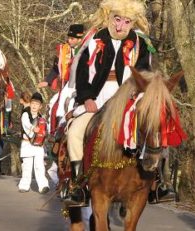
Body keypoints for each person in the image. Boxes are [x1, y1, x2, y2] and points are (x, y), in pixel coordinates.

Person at [64, 0, 154, 206]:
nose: (120, 26)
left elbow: (144, 74)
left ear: (133, 22)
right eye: (117, 19)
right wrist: (86, 98)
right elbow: (82, 73)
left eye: (126, 21)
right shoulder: (95, 39)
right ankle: (78, 185)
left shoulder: (141, 44)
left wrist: (133, 99)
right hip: (96, 96)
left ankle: (159, 182)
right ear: (109, 17)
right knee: (75, 130)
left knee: (155, 126)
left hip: (129, 98)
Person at [37, 24, 85, 135]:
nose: (69, 40)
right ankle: (55, 133)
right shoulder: (63, 50)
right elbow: (55, 68)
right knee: (53, 104)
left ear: (79, 39)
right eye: (69, 38)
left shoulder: (86, 50)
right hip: (66, 85)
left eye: (72, 39)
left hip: (81, 85)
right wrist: (48, 80)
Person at [18, 92, 49, 194]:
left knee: (39, 165)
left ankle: (43, 185)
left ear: (40, 106)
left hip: (38, 145)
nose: (34, 106)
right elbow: (26, 123)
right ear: (30, 104)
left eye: (37, 104)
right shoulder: (25, 113)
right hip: (27, 143)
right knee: (27, 165)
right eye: (33, 103)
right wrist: (32, 128)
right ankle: (24, 185)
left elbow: (45, 129)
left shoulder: (41, 117)